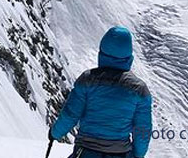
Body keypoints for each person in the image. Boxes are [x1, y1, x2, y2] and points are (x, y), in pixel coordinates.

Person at [49, 26, 153, 158]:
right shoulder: (139, 89)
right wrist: (138, 155)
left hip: (85, 152)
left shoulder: (87, 80)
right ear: (128, 57)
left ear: (102, 53)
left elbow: (70, 114)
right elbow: (142, 129)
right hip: (120, 153)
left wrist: (55, 133)